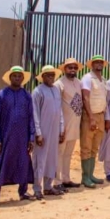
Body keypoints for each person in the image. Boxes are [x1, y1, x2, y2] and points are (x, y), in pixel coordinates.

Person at [0, 66, 35, 209]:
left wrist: (31, 137)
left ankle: (23, 192)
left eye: (19, 76)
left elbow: (31, 118)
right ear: (10, 77)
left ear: (23, 78)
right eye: (14, 76)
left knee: (23, 162)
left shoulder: (27, 96)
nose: (17, 78)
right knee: (1, 164)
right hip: (6, 137)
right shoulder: (1, 95)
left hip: (22, 137)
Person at [30, 65, 65, 199]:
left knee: (51, 159)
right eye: (48, 75)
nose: (51, 77)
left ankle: (48, 186)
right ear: (42, 76)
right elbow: (35, 114)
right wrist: (38, 133)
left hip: (55, 130)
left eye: (52, 75)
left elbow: (60, 111)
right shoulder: (38, 91)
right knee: (40, 159)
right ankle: (37, 188)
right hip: (43, 132)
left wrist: (62, 129)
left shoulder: (56, 90)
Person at [80, 55, 110, 189]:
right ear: (91, 65)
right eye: (96, 62)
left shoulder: (103, 80)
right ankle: (85, 177)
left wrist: (107, 118)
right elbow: (85, 98)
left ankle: (91, 175)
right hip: (90, 116)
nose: (99, 64)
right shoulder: (87, 78)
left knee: (94, 147)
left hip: (101, 116)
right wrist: (91, 117)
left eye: (100, 62)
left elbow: (105, 100)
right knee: (86, 146)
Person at [54, 57, 83, 192]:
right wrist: (60, 127)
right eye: (70, 67)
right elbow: (57, 106)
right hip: (63, 125)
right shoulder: (59, 84)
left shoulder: (78, 83)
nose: (72, 70)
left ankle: (66, 179)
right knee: (59, 153)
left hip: (75, 124)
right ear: (64, 69)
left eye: (74, 67)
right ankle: (57, 181)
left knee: (68, 153)